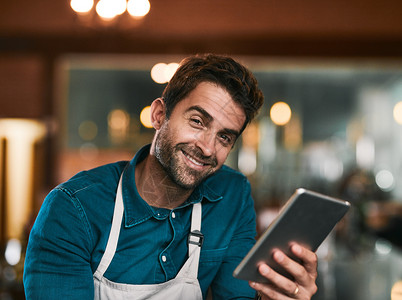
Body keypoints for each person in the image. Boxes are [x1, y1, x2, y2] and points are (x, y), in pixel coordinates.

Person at [23, 54, 318, 299]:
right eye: (197, 121)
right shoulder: (73, 209)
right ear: (159, 115)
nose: (207, 147)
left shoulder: (232, 196)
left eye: (225, 137)